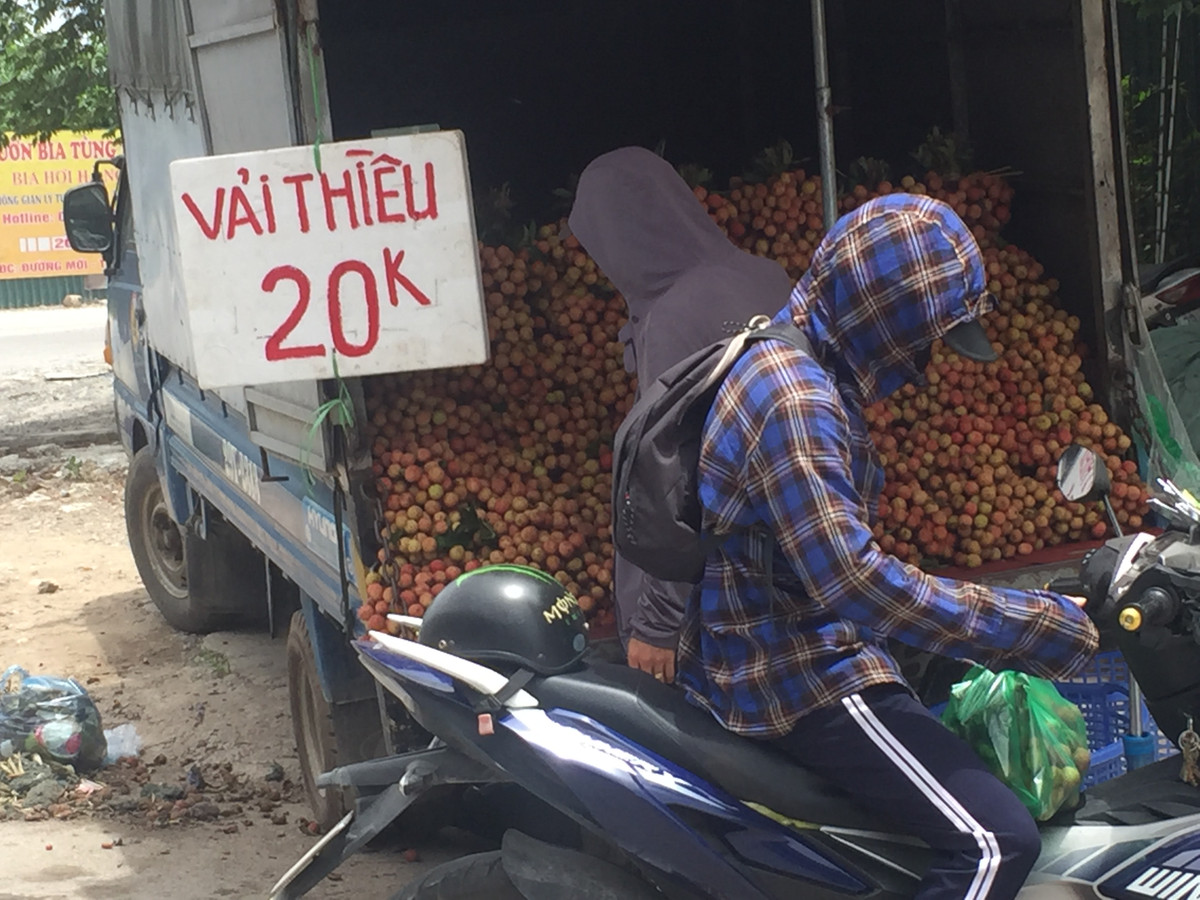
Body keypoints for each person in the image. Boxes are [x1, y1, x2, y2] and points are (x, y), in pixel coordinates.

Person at [676, 192, 1099, 900]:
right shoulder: (795, 397)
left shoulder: (794, 357)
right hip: (798, 674)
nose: (925, 367)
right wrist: (1027, 627)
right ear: (882, 321)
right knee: (996, 841)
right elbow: (856, 584)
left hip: (801, 644)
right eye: (923, 342)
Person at [568, 146, 793, 682]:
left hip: (715, 607)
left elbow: (680, 472)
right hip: (784, 573)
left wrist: (658, 622)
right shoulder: (765, 275)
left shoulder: (675, 315)